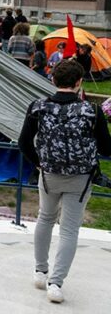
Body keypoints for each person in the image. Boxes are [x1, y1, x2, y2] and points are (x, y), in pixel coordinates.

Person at [19, 59, 111, 304]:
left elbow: (23, 143)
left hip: (49, 175)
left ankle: (40, 271)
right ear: (79, 83)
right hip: (80, 179)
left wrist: (39, 163)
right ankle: (56, 284)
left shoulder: (37, 107)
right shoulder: (92, 110)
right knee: (69, 229)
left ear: (53, 80)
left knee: (45, 218)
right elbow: (106, 147)